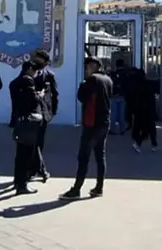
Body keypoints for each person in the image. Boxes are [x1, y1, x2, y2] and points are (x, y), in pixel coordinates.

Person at [60, 57, 113, 200]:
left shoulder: (92, 80)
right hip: (104, 122)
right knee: (100, 156)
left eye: (87, 66)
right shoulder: (108, 80)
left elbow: (81, 97)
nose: (86, 69)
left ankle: (76, 189)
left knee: (83, 157)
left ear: (93, 66)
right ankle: (99, 187)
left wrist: (82, 85)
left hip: (92, 123)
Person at [9, 61, 41, 195]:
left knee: (20, 153)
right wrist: (40, 95)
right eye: (34, 70)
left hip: (19, 119)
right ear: (29, 69)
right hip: (28, 120)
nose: (35, 74)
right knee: (27, 153)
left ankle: (18, 181)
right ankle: (22, 184)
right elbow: (33, 100)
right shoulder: (28, 81)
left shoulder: (14, 82)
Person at [30, 49, 58, 182]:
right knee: (32, 142)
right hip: (31, 112)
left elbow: (55, 94)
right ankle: (40, 170)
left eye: (40, 61)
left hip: (44, 112)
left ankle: (35, 169)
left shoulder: (49, 75)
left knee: (39, 143)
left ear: (45, 63)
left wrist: (53, 111)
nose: (37, 63)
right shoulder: (29, 73)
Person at [129, 66, 159, 152]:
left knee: (147, 129)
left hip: (142, 111)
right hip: (148, 111)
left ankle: (151, 144)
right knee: (149, 128)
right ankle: (150, 144)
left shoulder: (140, 86)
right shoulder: (149, 87)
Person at [108, 59, 131, 135]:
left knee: (113, 114)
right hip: (123, 96)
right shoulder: (126, 74)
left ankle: (113, 129)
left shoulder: (112, 74)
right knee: (122, 113)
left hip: (114, 95)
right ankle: (122, 130)